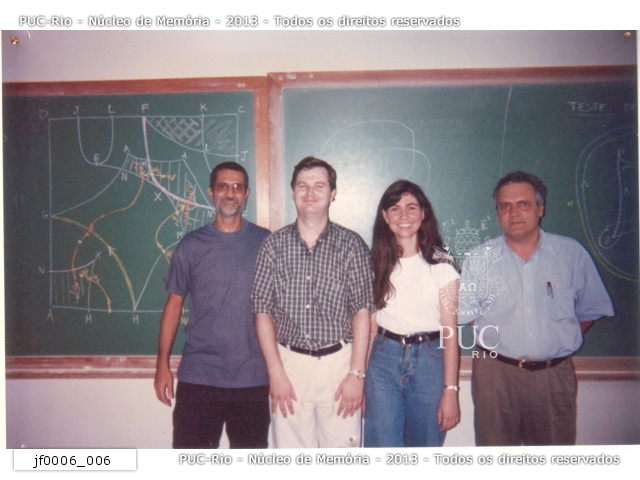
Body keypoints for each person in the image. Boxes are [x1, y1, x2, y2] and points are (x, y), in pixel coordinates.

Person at [458, 171, 614, 446]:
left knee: (551, 459)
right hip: (495, 376)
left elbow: (589, 311)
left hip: (552, 377)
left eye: (523, 204)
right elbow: (469, 315)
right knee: (494, 460)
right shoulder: (478, 259)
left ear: (540, 209)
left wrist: (552, 342)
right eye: (505, 206)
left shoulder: (571, 254)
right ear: (497, 213)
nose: (513, 213)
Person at [251, 156, 374, 448]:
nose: (310, 193)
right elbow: (262, 312)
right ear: (292, 192)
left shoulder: (352, 245)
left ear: (332, 193)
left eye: (319, 186)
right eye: (302, 186)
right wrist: (276, 372)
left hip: (340, 366)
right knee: (291, 458)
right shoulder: (273, 246)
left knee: (343, 456)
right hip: (289, 366)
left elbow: (363, 312)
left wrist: (357, 375)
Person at [153, 161, 271, 449]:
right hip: (199, 378)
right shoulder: (191, 245)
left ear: (246, 194)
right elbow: (173, 305)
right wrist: (161, 365)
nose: (230, 193)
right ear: (211, 192)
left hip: (251, 378)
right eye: (223, 186)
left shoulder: (266, 242)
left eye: (237, 187)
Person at [364, 180, 460, 447]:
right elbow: (370, 328)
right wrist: (362, 380)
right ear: (385, 217)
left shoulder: (442, 264)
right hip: (383, 360)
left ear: (423, 213)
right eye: (395, 209)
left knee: (425, 447)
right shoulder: (375, 263)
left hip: (430, 361)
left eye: (411, 208)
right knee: (382, 447)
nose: (403, 216)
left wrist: (451, 391)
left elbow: (450, 333)